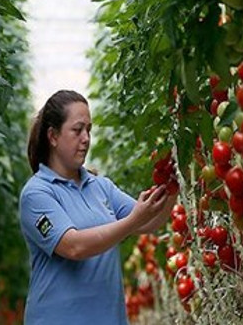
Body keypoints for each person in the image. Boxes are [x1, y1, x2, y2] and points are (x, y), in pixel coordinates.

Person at [19, 90, 177, 325]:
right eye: (77, 129)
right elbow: (74, 246)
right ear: (53, 136)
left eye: (89, 130)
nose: (86, 138)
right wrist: (132, 221)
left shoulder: (100, 187)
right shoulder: (37, 193)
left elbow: (149, 220)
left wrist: (174, 182)